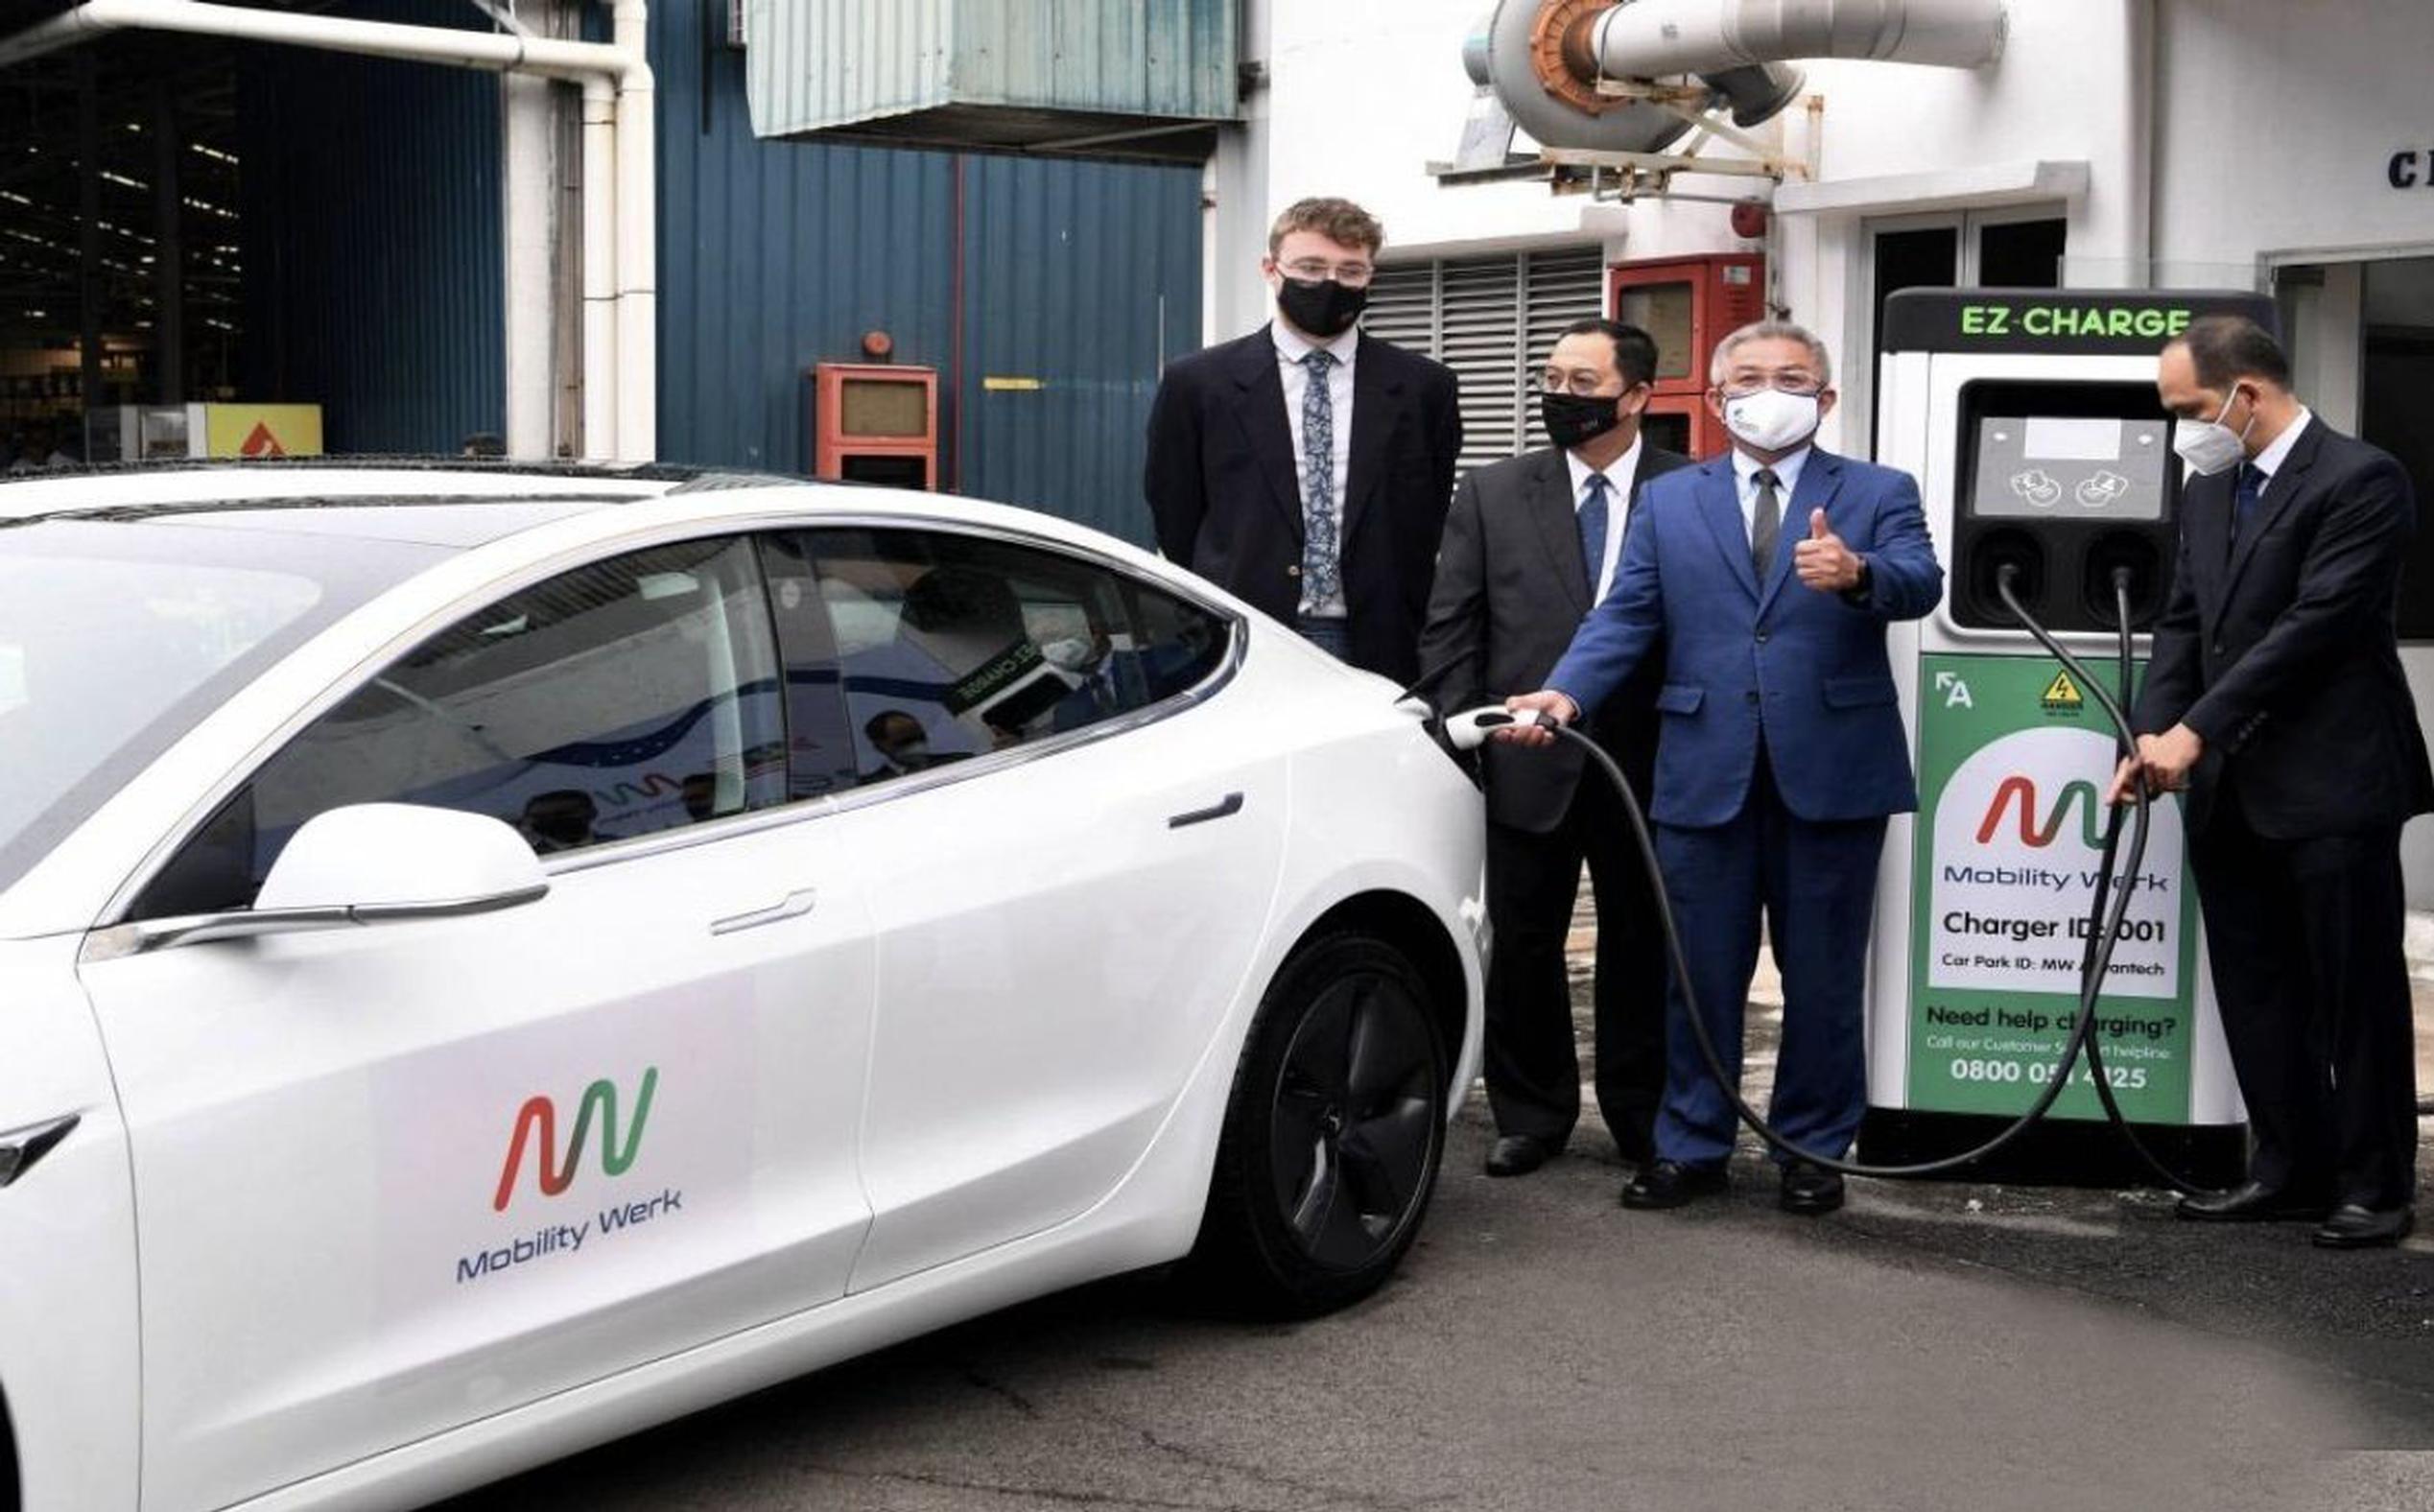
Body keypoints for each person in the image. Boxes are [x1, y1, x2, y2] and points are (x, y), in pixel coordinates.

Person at [1499, 321, 1942, 1217]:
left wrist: (1857, 573)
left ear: (1823, 398)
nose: (1768, 390)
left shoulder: (1876, 489)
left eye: (1791, 377)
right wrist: (1564, 696)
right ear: (1713, 399)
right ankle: (1689, 1143)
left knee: (1821, 976)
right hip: (1704, 768)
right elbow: (1625, 614)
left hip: (1832, 770)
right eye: (1748, 377)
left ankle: (1810, 1149)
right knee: (1697, 972)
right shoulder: (1673, 500)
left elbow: (1920, 581)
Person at [2106, 315, 2430, 1249]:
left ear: (2244, 394)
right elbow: (2180, 620)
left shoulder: (2359, 478)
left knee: (2351, 994)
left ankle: (2374, 1185)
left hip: (2330, 781)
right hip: (2227, 787)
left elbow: (2313, 628)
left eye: (2188, 408)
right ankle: (2287, 1169)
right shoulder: (2208, 483)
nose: (2181, 429)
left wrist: (2193, 733)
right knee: (2256, 990)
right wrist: (2149, 731)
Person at [1417, 318, 1691, 1176]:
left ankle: (1643, 1118)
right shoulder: (1493, 492)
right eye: (1552, 378)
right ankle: (1530, 1115)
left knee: (1642, 946)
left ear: (1638, 396)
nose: (1560, 398)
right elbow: (1451, 628)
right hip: (1526, 757)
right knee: (1525, 943)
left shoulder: (1692, 491)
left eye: (1583, 383)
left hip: (1650, 759)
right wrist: (1466, 734)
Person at [1144, 197, 1462, 684]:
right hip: (1245, 632)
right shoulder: (1199, 383)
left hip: (1381, 636)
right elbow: (1176, 513)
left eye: (1350, 270)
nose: (1330, 284)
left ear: (1370, 276)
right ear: (1271, 270)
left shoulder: (1424, 387)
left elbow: (1429, 512)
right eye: (1311, 267)